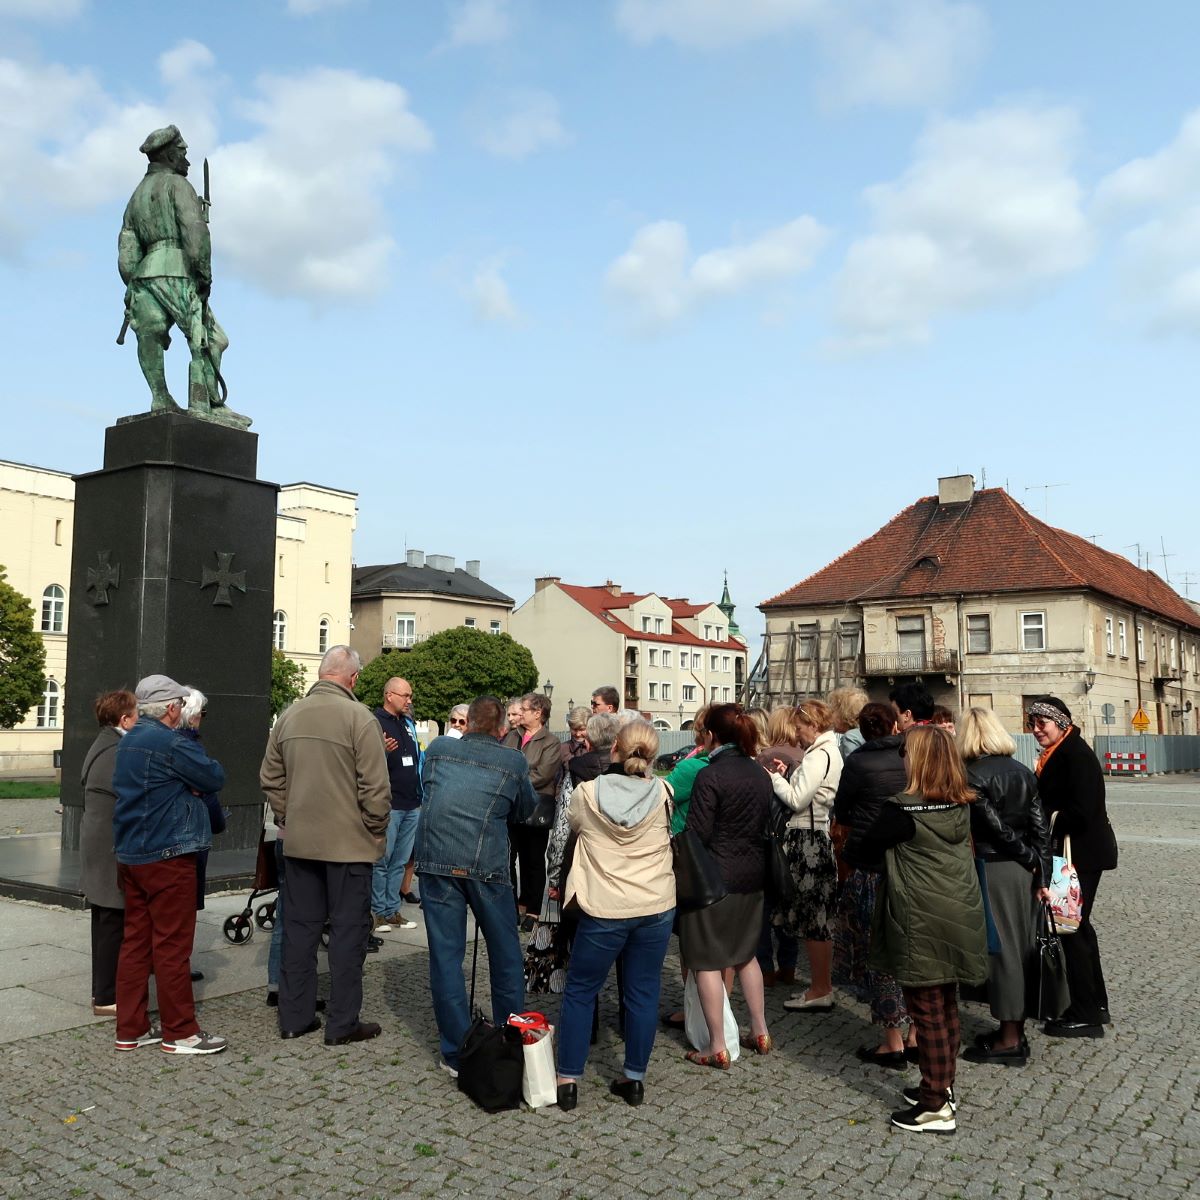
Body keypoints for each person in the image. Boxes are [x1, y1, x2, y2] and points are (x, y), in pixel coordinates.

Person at [856, 725, 988, 1134]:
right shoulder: (962, 802)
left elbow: (858, 850)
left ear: (921, 761)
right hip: (958, 912)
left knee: (927, 1011)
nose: (902, 759)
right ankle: (942, 1085)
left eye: (906, 753)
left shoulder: (903, 809)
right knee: (945, 1006)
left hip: (921, 918)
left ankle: (935, 1106)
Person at [260, 646, 391, 1046]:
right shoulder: (359, 718)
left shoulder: (289, 716)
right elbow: (376, 788)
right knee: (348, 935)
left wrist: (289, 817)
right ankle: (342, 1023)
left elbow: (270, 778)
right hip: (348, 847)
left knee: (299, 932)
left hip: (300, 844)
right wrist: (373, 827)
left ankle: (294, 1017)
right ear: (352, 678)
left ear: (322, 674)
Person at [554, 721, 676, 1110]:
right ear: (652, 756)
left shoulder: (587, 794)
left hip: (603, 904)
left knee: (581, 989)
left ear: (615, 752)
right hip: (654, 904)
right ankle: (634, 1077)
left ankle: (568, 1078)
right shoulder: (664, 792)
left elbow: (571, 830)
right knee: (643, 991)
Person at [415, 695, 538, 1076]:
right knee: (505, 954)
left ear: (466, 723)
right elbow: (525, 808)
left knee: (446, 957)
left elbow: (428, 789)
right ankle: (509, 1036)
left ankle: (454, 1051)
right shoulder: (513, 759)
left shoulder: (437, 750)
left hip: (436, 859)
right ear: (502, 728)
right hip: (485, 865)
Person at [112, 674, 226, 1055]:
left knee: (135, 944)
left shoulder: (127, 743)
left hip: (132, 854)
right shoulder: (171, 742)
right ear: (173, 708)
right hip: (168, 854)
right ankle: (180, 1032)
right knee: (172, 945)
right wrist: (188, 785)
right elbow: (213, 776)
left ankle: (130, 1028)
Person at [117, 125, 248, 427]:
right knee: (211, 339)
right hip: (178, 270)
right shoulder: (178, 186)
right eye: (182, 152)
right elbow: (195, 231)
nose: (186, 158)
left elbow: (127, 246)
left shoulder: (136, 196)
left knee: (149, 335)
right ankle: (204, 404)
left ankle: (160, 397)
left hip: (143, 275)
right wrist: (203, 273)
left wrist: (133, 282)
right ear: (168, 154)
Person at [678, 704, 772, 1068]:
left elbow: (698, 833)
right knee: (745, 954)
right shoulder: (759, 772)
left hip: (715, 877)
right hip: (753, 873)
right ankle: (760, 1028)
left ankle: (716, 1044)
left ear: (712, 736)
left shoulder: (711, 776)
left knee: (706, 959)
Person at [958, 707, 1051, 1064]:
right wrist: (1040, 871)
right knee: (1019, 946)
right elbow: (1041, 829)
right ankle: (1011, 1029)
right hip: (1022, 872)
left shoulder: (972, 775)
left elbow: (995, 827)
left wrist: (1028, 858)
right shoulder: (1023, 770)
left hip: (995, 867)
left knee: (1005, 953)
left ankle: (1010, 1039)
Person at [1027, 696, 1118, 1038]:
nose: (1036, 730)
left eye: (1042, 723)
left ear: (1061, 723)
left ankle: (1086, 1014)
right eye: (1032, 724)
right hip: (1075, 854)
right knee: (1080, 927)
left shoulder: (1074, 755)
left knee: (1071, 929)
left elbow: (1082, 812)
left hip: (1079, 854)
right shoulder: (1060, 753)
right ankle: (1095, 1004)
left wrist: (1042, 816)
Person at [833, 702, 912, 1067]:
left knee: (879, 953)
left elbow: (843, 809)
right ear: (895, 725)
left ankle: (892, 1039)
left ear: (862, 730)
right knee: (912, 950)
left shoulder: (859, 761)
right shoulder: (910, 755)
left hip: (869, 862)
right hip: (911, 863)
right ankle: (915, 1034)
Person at [766, 700, 842, 1013]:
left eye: (799, 726)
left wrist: (775, 779)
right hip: (815, 835)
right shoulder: (827, 752)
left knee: (814, 920)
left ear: (813, 724)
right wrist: (792, 773)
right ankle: (820, 986)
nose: (796, 733)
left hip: (807, 839)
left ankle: (820, 988)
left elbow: (798, 799)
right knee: (817, 918)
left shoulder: (819, 754)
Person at [79, 689, 138, 1017]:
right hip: (108, 845)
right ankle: (107, 997)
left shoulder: (103, 742)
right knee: (112, 920)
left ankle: (102, 993)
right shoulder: (116, 748)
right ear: (124, 719)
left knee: (104, 921)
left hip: (98, 841)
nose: (139, 718)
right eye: (136, 714)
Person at [178, 687, 227, 981]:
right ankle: (178, 964)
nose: (202, 720)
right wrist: (218, 822)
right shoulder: (188, 745)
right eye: (202, 714)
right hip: (189, 835)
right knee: (185, 906)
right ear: (193, 716)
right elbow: (211, 784)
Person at [753, 707, 803, 988]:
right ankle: (789, 965)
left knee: (764, 907)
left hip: (768, 838)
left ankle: (765, 967)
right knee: (789, 902)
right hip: (795, 836)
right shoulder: (805, 757)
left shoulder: (765, 758)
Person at [370, 677, 422, 934]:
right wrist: (381, 751)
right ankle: (378, 912)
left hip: (411, 803)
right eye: (405, 695)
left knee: (400, 862)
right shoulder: (374, 722)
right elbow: (364, 763)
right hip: (389, 804)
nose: (409, 700)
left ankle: (392, 910)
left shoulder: (407, 723)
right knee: (382, 860)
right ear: (390, 695)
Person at [513, 692, 560, 922]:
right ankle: (514, 905)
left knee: (532, 859)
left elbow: (543, 774)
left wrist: (513, 779)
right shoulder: (513, 735)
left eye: (524, 709)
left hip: (535, 807)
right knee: (509, 858)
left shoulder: (551, 742)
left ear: (538, 713)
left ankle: (532, 908)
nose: (519, 713)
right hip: (512, 806)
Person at [829, 686, 869, 758]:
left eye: (833, 711)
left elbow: (853, 767)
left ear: (844, 713)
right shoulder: (865, 732)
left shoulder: (851, 737)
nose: (830, 715)